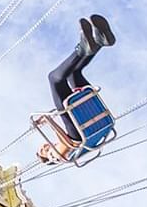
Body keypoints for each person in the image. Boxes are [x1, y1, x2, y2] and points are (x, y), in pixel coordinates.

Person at [36, 15, 117, 163]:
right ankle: (82, 49)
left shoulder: (62, 151)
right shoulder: (57, 157)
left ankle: (100, 41)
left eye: (42, 148)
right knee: (54, 79)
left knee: (74, 74)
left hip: (86, 122)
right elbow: (66, 142)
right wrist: (48, 122)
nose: (45, 147)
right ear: (48, 159)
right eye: (43, 151)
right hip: (77, 133)